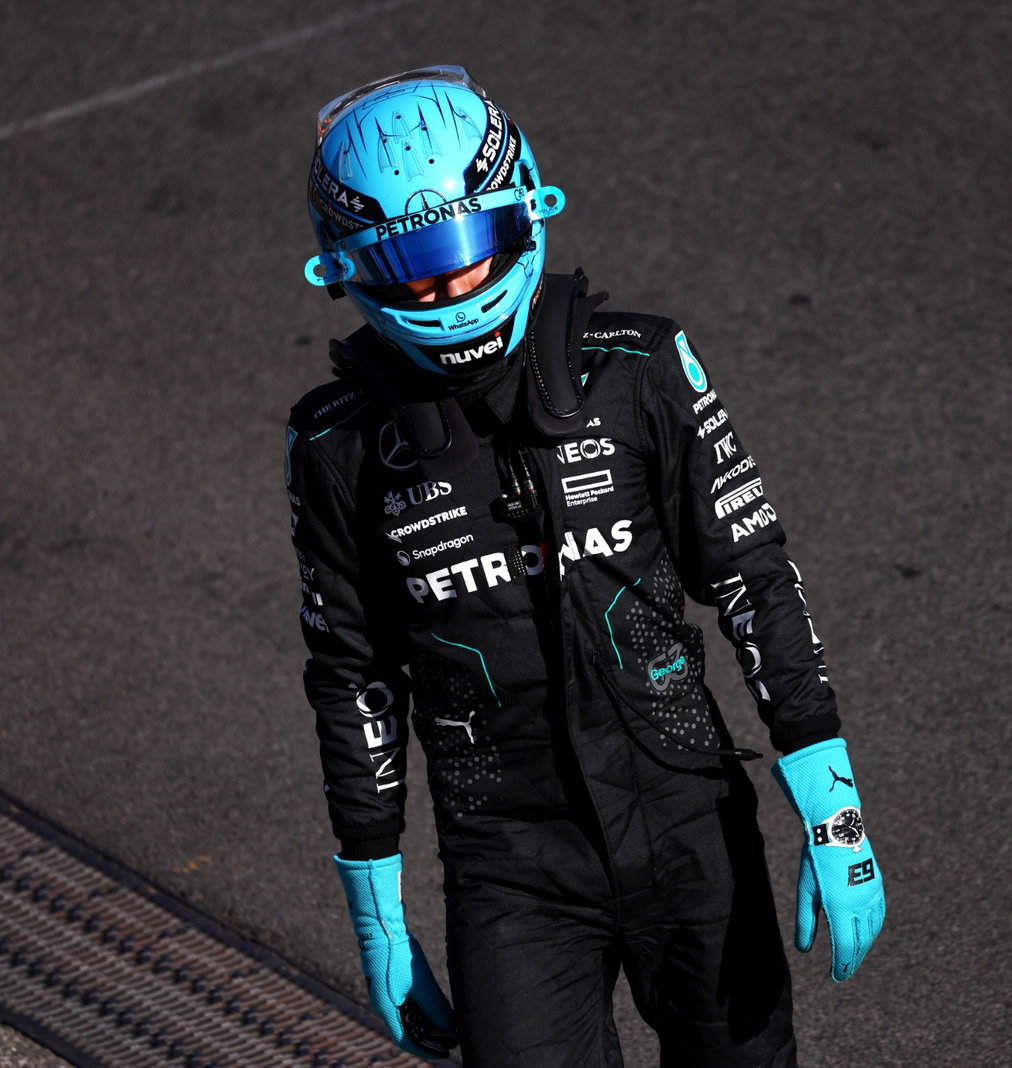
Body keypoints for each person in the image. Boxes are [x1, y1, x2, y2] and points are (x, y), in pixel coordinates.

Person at [284, 66, 886, 1066]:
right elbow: (350, 678)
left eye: (463, 252)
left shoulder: (641, 368)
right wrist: (376, 913)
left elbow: (752, 575)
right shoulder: (336, 448)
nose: (446, 289)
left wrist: (832, 800)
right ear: (347, 271)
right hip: (511, 870)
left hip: (689, 825)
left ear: (520, 214)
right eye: (409, 267)